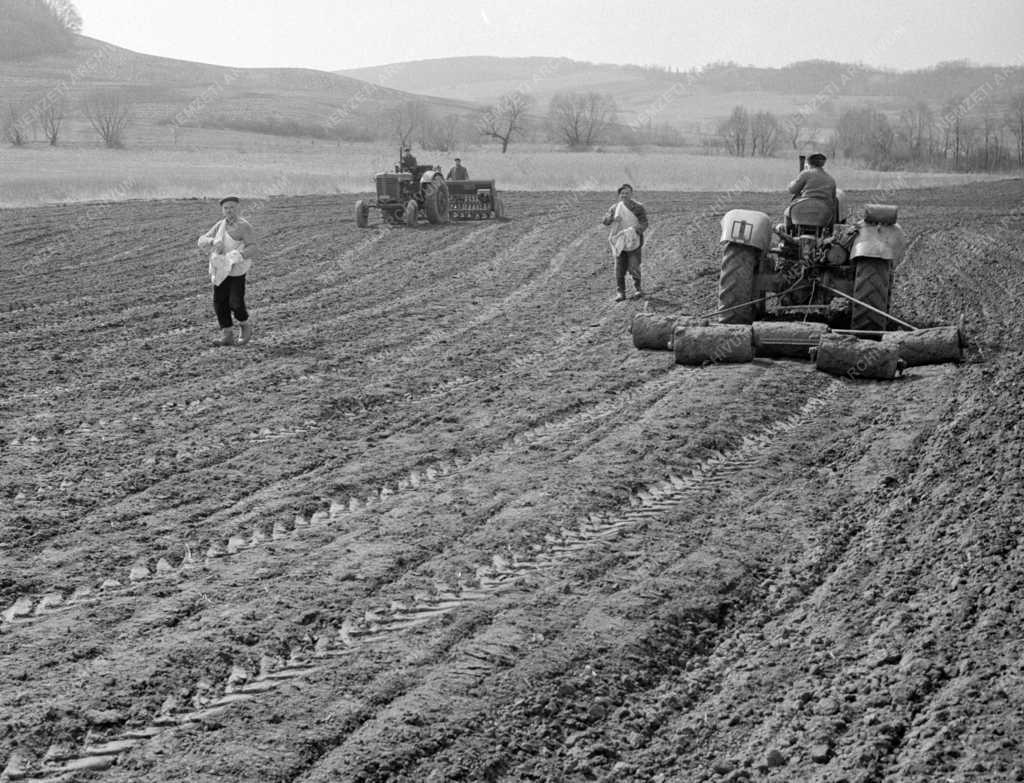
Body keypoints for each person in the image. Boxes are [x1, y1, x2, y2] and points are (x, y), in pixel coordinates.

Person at [197, 196, 257, 346]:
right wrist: (212, 241)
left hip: (236, 270)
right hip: (220, 270)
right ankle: (227, 334)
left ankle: (244, 325)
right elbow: (201, 240)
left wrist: (238, 255)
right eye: (226, 208)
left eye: (232, 207)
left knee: (236, 302)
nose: (229, 210)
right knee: (220, 303)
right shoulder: (220, 225)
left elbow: (253, 247)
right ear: (222, 210)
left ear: (238, 208)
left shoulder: (244, 226)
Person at [602, 183, 649, 301]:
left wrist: (634, 231)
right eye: (622, 193)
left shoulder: (638, 207)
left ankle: (638, 289)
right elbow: (605, 221)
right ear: (619, 195)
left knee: (634, 265)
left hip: (633, 240)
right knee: (619, 267)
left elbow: (644, 223)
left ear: (631, 194)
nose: (624, 195)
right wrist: (612, 218)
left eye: (627, 193)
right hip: (619, 241)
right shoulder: (615, 208)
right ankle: (620, 293)